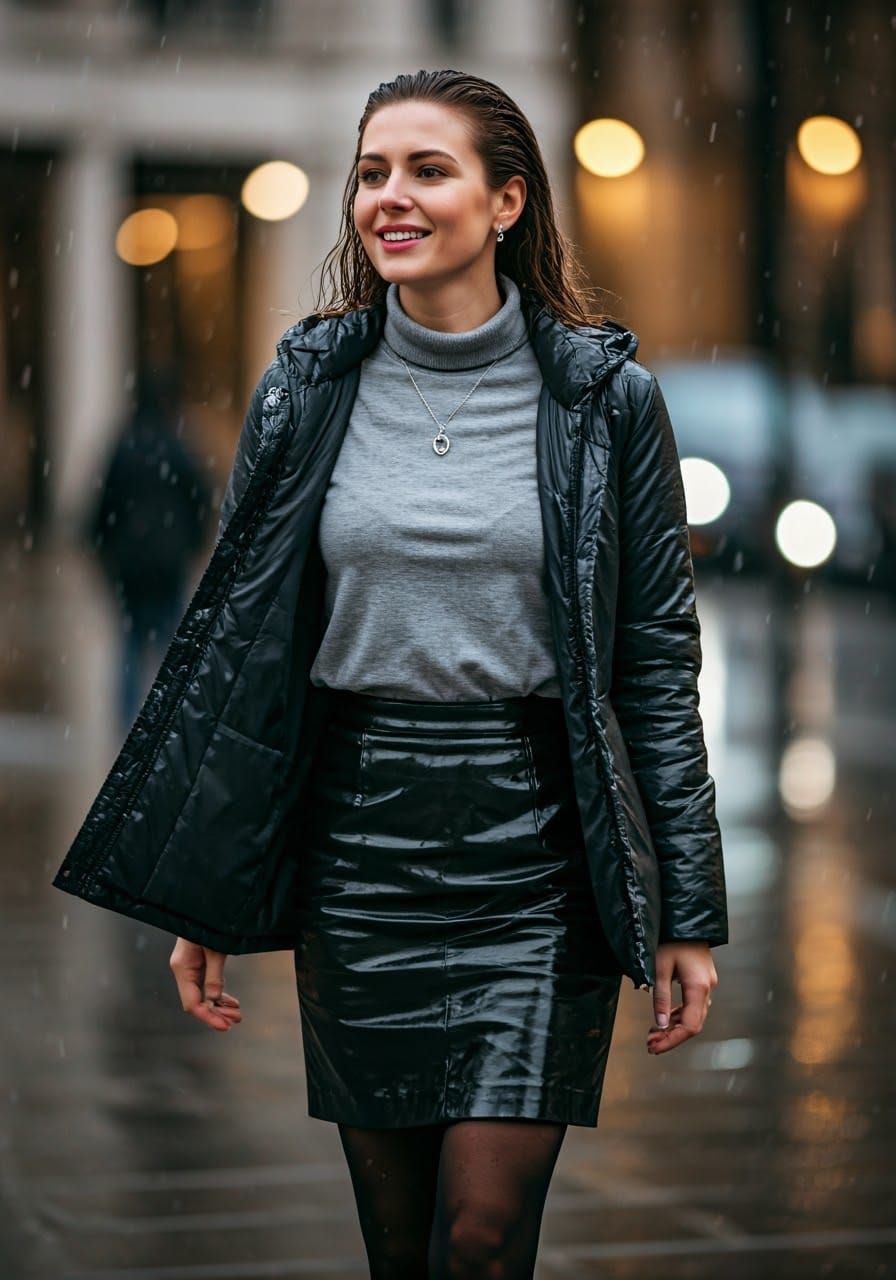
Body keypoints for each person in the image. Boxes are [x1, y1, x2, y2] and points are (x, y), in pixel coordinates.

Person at [54, 70, 727, 1279]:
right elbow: (244, 649)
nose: (389, 197)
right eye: (372, 171)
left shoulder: (605, 401)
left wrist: (686, 907)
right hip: (357, 852)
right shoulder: (308, 386)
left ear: (506, 199)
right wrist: (204, 890)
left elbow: (653, 666)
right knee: (401, 1245)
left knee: (479, 1235)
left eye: (428, 169)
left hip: (539, 854)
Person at [85, 375, 212, 732]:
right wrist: (191, 546)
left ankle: (127, 725)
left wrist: (103, 550)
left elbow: (101, 506)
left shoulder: (124, 446)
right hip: (168, 563)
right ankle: (166, 723)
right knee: (169, 645)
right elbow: (201, 501)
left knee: (130, 644)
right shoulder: (178, 447)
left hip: (130, 564)